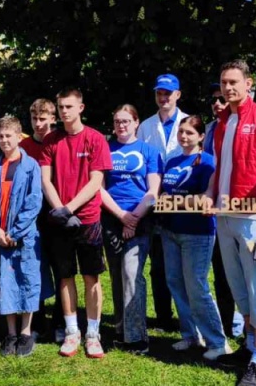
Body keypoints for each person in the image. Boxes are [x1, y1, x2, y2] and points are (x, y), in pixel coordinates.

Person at [204, 60, 256, 386]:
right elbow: (216, 167)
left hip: (253, 219)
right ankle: (250, 347)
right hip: (224, 217)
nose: (228, 87)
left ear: (248, 83)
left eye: (234, 81)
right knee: (238, 288)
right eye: (224, 82)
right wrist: (209, 195)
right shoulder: (221, 121)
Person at [40, 88, 113, 358]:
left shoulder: (95, 139)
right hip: (61, 221)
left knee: (91, 277)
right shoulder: (51, 140)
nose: (64, 111)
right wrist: (60, 211)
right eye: (60, 107)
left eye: (69, 106)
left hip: (88, 219)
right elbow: (46, 179)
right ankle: (72, 332)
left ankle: (93, 333)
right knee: (65, 276)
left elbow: (96, 181)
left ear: (81, 108)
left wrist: (69, 209)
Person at [159, 115, 232, 360]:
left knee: (196, 286)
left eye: (190, 132)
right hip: (170, 231)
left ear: (201, 136)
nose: (183, 136)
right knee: (176, 284)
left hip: (197, 233)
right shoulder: (172, 161)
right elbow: (162, 194)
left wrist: (173, 202)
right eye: (181, 131)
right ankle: (190, 335)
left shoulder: (208, 162)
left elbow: (206, 199)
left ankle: (217, 341)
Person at [0, 115, 46, 357]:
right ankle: (10, 333)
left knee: (27, 280)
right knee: (4, 282)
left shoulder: (31, 167)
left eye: (9, 136)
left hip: (24, 236)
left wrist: (15, 231)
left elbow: (34, 201)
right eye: (1, 136)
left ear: (19, 137)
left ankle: (26, 332)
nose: (4, 140)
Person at [100, 105, 160, 354]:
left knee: (131, 272)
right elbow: (100, 188)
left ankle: (137, 337)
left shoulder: (149, 151)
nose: (121, 125)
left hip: (140, 217)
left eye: (126, 121)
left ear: (136, 123)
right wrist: (122, 216)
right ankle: (121, 328)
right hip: (113, 218)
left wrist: (133, 218)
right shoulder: (106, 149)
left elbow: (153, 190)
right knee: (116, 275)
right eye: (116, 121)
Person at [138, 74, 187, 330]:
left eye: (168, 93)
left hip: (182, 202)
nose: (164, 97)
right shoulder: (145, 126)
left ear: (178, 94)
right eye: (160, 93)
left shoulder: (188, 123)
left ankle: (187, 316)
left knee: (182, 266)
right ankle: (164, 317)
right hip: (154, 202)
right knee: (158, 265)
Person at [203, 83, 245, 341]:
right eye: (214, 100)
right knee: (220, 267)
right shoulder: (209, 129)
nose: (218, 103)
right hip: (213, 203)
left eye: (222, 99)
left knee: (240, 269)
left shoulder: (239, 125)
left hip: (237, 205)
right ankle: (226, 321)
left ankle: (243, 321)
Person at [20, 98, 60, 342]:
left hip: (54, 213)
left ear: (52, 119)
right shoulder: (23, 145)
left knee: (59, 268)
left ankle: (60, 321)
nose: (38, 124)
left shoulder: (59, 142)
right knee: (34, 268)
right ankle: (36, 319)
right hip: (30, 218)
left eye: (43, 119)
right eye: (34, 119)